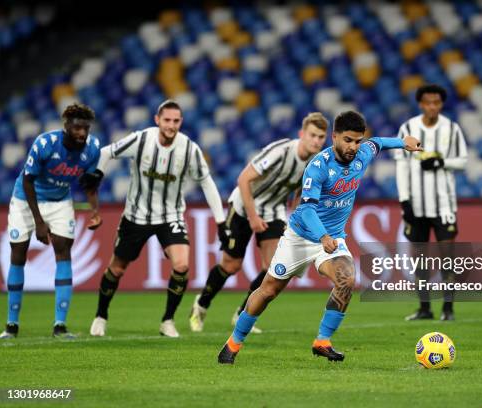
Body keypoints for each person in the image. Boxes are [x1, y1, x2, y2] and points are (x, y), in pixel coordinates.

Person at [217, 110, 422, 364]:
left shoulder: (362, 154)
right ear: (334, 137)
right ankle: (233, 343)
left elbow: (378, 142)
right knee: (268, 291)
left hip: (333, 238)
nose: (353, 147)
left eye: (358, 141)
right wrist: (322, 235)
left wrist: (403, 142)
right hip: (301, 237)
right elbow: (305, 208)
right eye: (348, 140)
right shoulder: (319, 166)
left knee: (347, 279)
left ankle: (322, 341)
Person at [89, 100, 226, 338]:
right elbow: (106, 152)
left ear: (181, 122)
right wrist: (98, 173)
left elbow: (206, 182)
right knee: (117, 269)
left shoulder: (189, 149)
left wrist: (221, 221)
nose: (171, 126)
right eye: (167, 120)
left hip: (170, 215)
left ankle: (168, 321)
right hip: (136, 215)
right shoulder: (141, 139)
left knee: (182, 265)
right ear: (157, 120)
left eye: (176, 121)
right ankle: (100, 316)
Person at [189, 113, 328, 334]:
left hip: (273, 212)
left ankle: (243, 313)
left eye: (321, 137)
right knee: (231, 265)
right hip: (244, 206)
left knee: (273, 267)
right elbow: (244, 178)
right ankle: (201, 305)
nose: (317, 141)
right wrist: (253, 217)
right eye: (312, 135)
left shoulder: (316, 162)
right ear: (302, 134)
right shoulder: (281, 151)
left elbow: (301, 191)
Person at [0, 103, 102, 339]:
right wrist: (39, 222)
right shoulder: (45, 144)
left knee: (64, 252)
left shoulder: (93, 148)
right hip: (26, 199)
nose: (82, 133)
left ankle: (60, 326)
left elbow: (89, 183)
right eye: (77, 128)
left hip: (59, 201)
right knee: (18, 254)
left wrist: (95, 211)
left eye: (86, 128)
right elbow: (27, 181)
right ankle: (11, 325)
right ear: (66, 126)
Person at [394, 84, 468, 321]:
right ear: (420, 104)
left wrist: (440, 162)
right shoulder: (408, 128)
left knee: (448, 256)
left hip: (444, 205)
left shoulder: (452, 128)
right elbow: (401, 165)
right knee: (420, 258)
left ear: (442, 104)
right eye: (428, 102)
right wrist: (404, 200)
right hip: (416, 204)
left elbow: (463, 161)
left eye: (436, 102)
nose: (432, 106)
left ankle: (448, 309)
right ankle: (425, 308)